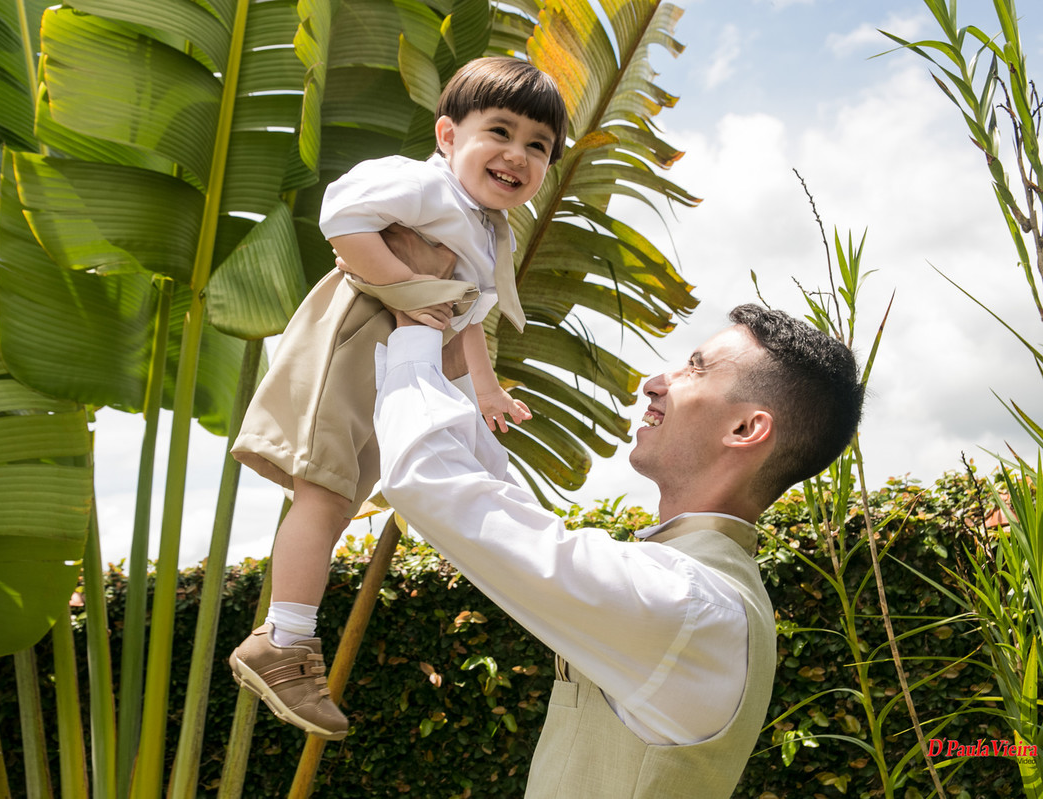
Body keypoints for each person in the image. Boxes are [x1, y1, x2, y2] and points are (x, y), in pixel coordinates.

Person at [372, 242, 865, 798]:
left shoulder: (689, 604)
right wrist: (449, 351)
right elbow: (497, 504)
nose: (655, 382)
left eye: (695, 369)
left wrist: (412, 331)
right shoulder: (692, 592)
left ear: (747, 430)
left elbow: (435, 486)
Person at [227, 56, 569, 741]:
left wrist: (487, 387)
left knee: (342, 494)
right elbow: (342, 218)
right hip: (357, 338)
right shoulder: (424, 187)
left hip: (401, 362)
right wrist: (405, 287)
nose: (517, 154)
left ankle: (286, 636)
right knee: (321, 489)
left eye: (538, 145)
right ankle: (283, 640)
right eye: (499, 131)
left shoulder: (488, 229)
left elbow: (466, 317)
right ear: (447, 135)